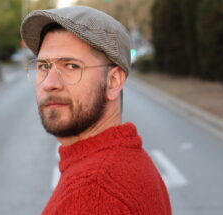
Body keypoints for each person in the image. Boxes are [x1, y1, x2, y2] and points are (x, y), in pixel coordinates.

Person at [20, 6, 171, 215]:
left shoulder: (93, 191)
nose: (49, 83)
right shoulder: (126, 161)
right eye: (44, 66)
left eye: (71, 66)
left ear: (113, 82)